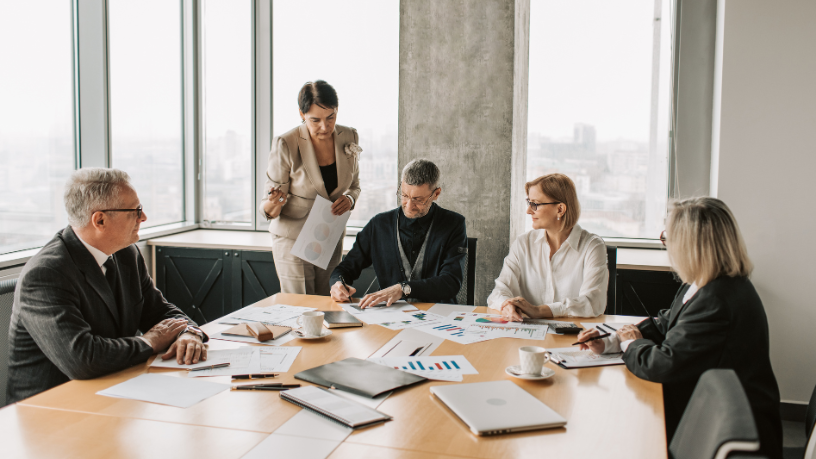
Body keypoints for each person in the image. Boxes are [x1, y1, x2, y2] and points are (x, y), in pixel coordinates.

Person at [578, 197, 782, 458]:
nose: (666, 246)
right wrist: (611, 340)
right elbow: (664, 323)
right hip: (704, 410)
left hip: (728, 432)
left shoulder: (718, 300)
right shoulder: (703, 284)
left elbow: (663, 365)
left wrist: (631, 342)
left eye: (668, 238)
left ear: (691, 246)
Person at [6, 168, 208, 404]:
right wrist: (150, 341)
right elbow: (82, 358)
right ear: (100, 220)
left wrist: (189, 334)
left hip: (114, 388)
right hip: (51, 408)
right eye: (136, 211)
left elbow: (160, 312)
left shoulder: (125, 253)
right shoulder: (46, 274)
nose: (143, 218)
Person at [260, 80, 361, 296]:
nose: (324, 127)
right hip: (293, 238)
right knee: (302, 307)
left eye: (330, 117)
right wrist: (275, 201)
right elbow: (267, 210)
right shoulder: (286, 143)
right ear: (301, 114)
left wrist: (350, 199)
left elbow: (354, 185)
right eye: (315, 120)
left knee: (329, 303)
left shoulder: (349, 136)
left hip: (329, 233)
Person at [329, 159, 466, 307]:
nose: (409, 206)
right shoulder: (378, 225)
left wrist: (403, 289)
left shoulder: (453, 224)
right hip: (390, 315)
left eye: (418, 200)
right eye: (405, 196)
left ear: (436, 194)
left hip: (439, 315)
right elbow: (345, 268)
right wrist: (337, 284)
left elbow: (451, 282)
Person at [487, 173, 608, 319]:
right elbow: (499, 291)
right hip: (526, 334)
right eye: (529, 202)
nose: (528, 210)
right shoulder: (523, 243)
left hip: (574, 336)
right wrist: (507, 305)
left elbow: (593, 302)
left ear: (560, 209)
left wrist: (539, 311)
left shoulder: (592, 246)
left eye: (535, 204)